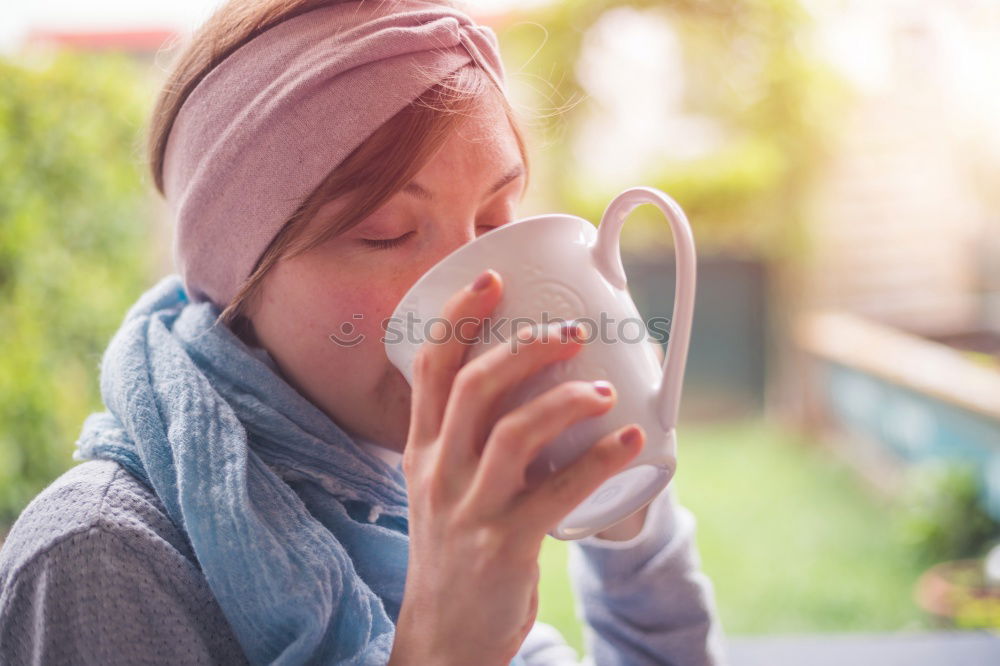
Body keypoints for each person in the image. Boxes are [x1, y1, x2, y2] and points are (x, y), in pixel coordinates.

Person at [0, 1, 729, 664]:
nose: (484, 292)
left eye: (497, 218)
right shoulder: (99, 562)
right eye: (385, 234)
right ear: (238, 293)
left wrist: (627, 522)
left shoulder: (402, 501)